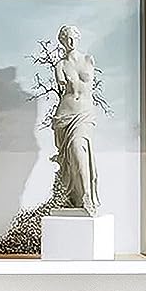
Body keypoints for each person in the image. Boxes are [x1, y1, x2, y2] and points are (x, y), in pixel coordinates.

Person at [49, 24, 100, 214]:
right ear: (62, 41)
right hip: (65, 114)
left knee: (79, 147)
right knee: (70, 154)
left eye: (73, 38)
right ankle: (75, 197)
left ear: (78, 39)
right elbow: (64, 89)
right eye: (66, 38)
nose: (70, 42)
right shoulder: (60, 65)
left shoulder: (88, 60)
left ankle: (87, 194)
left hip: (85, 113)